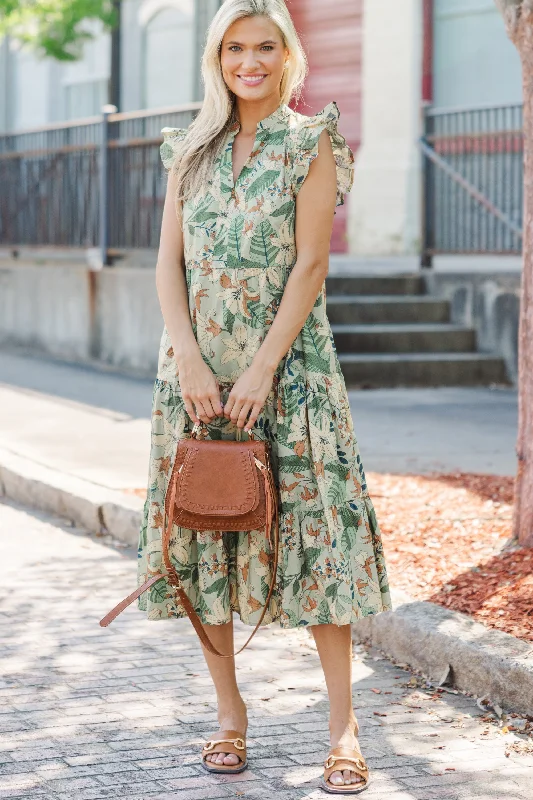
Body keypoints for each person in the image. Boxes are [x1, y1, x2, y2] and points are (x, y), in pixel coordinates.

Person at [137, 0, 391, 793]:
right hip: (195, 379)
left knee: (319, 545)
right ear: (216, 58)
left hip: (293, 376)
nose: (249, 61)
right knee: (204, 539)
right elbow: (165, 267)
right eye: (235, 48)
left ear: (287, 56)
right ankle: (229, 718)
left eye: (264, 47)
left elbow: (310, 266)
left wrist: (259, 372)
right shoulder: (191, 149)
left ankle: (343, 730)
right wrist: (187, 357)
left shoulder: (310, 142)